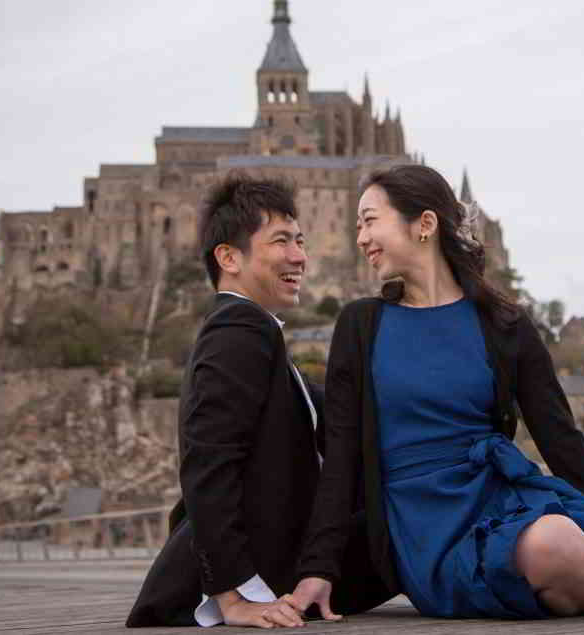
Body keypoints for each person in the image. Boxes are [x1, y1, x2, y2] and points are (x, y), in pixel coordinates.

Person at [291, 164, 584, 621]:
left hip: (502, 491)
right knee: (560, 546)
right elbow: (341, 454)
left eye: (370, 220)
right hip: (425, 518)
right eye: (357, 225)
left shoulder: (504, 322)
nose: (361, 238)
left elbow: (561, 439)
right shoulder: (361, 324)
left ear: (425, 225)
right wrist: (318, 567)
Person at [126, 172, 392, 628]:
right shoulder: (239, 331)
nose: (299, 257)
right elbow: (207, 465)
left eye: (301, 241)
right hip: (261, 576)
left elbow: (340, 420)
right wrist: (233, 598)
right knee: (418, 524)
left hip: (285, 563)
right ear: (229, 257)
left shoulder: (256, 331)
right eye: (282, 242)